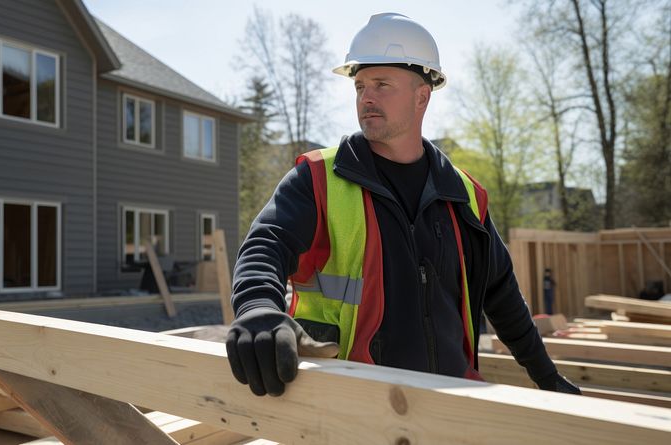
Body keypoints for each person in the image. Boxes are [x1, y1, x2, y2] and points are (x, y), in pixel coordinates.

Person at [225, 13, 581, 397]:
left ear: (422, 96)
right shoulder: (318, 178)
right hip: (350, 401)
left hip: (449, 400)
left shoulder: (463, 194)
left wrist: (545, 375)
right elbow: (265, 245)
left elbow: (502, 294)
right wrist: (257, 306)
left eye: (382, 84)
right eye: (360, 86)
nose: (367, 97)